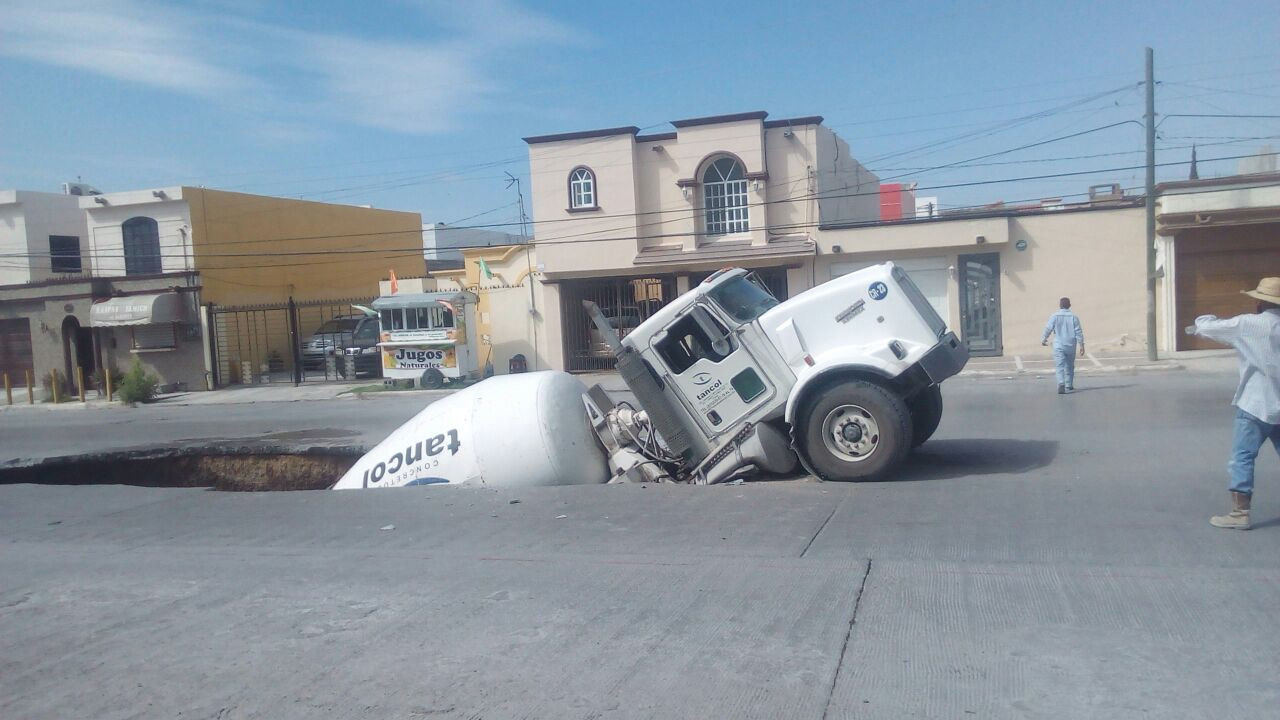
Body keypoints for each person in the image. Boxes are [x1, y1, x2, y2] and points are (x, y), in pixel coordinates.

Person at [1187, 277, 1280, 530]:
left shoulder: (1248, 324)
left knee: (1243, 457)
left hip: (1255, 404)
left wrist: (1204, 318)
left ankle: (1240, 513)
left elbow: (1207, 328)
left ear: (1260, 301)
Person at [1041, 297, 1085, 394]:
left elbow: (1048, 328)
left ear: (1060, 305)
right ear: (1069, 305)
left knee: (1059, 365)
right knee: (1070, 365)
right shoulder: (1074, 317)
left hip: (1058, 345)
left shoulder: (1055, 316)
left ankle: (1061, 383)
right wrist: (1081, 345)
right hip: (1071, 345)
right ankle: (1069, 384)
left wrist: (1044, 339)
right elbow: (1078, 332)